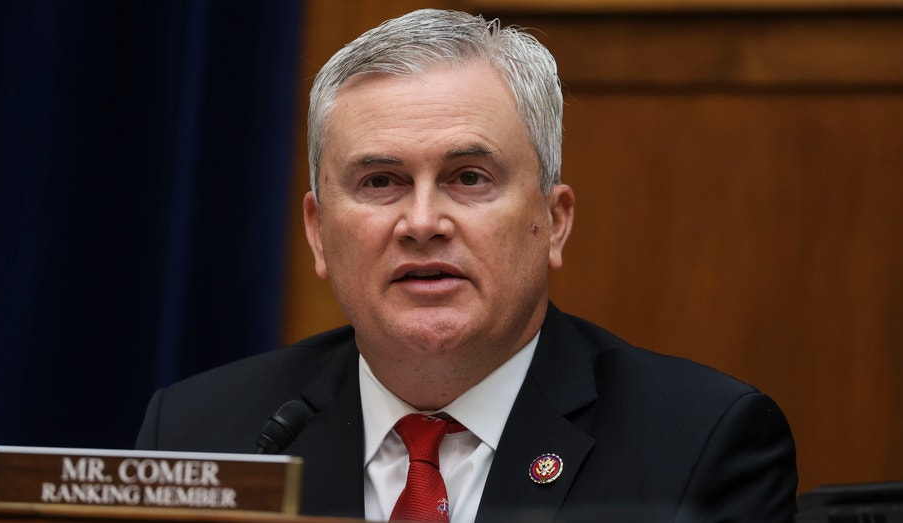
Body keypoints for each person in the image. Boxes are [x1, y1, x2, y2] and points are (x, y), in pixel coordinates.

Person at [136, 8, 798, 522]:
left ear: (554, 220)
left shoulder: (698, 442)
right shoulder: (201, 433)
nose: (422, 222)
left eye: (469, 177)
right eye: (380, 182)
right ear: (316, 232)